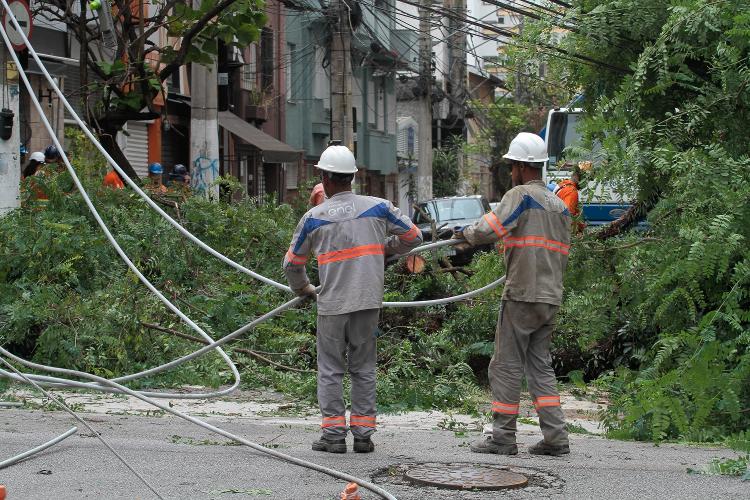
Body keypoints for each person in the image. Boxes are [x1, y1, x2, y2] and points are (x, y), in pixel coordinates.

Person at [283, 144, 422, 454]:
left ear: (325, 178)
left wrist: (303, 289)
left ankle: (333, 437)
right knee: (363, 368)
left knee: (331, 369)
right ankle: (362, 435)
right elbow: (414, 238)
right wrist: (388, 247)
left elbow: (292, 264)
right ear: (352, 178)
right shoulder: (379, 208)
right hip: (368, 302)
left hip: (332, 305)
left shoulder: (314, 217)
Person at [453, 132, 572, 457]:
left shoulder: (520, 196)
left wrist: (464, 234)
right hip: (550, 296)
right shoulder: (560, 206)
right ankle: (556, 437)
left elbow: (489, 229)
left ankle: (503, 437)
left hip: (522, 293)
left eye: (511, 166)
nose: (510, 172)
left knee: (504, 365)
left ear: (520, 166)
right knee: (539, 366)